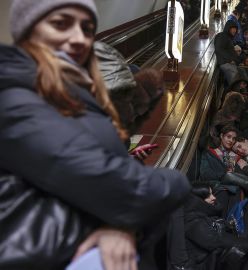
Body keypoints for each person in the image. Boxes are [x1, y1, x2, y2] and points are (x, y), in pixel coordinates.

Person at [0, 1, 190, 269]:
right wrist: (173, 182)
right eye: (60, 23)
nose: (79, 38)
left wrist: (118, 221)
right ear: (27, 31)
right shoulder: (17, 100)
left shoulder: (61, 90)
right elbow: (126, 190)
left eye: (87, 28)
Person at [184, 182, 248, 270]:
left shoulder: (206, 211)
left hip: (216, 254)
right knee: (245, 254)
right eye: (207, 196)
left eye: (212, 193)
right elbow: (215, 242)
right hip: (206, 263)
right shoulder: (192, 221)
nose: (213, 197)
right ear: (197, 200)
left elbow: (222, 233)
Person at [200, 125, 242, 216]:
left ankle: (232, 225)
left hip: (233, 189)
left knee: (235, 193)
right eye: (228, 137)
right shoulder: (209, 153)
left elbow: (241, 176)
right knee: (224, 193)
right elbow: (205, 174)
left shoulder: (237, 157)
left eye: (233, 138)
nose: (231, 140)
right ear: (221, 136)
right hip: (217, 187)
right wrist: (225, 175)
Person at [214, 20, 240, 86]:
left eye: (236, 29)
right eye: (233, 28)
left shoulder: (228, 37)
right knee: (234, 81)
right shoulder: (222, 36)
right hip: (225, 63)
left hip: (228, 63)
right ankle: (233, 94)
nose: (234, 30)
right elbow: (219, 49)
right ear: (228, 28)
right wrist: (230, 59)